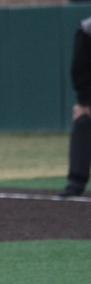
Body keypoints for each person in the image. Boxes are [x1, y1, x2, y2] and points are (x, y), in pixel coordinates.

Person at [59, 15, 91, 197]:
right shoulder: (88, 29)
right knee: (82, 121)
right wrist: (86, 102)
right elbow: (80, 67)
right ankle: (76, 182)